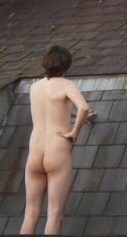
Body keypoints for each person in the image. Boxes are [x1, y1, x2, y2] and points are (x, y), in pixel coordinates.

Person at [20, 46, 92, 235]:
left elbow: (51, 108)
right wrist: (74, 132)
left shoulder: (35, 87)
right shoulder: (66, 85)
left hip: (35, 150)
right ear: (66, 65)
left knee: (30, 213)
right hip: (56, 149)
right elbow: (84, 107)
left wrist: (74, 115)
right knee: (54, 215)